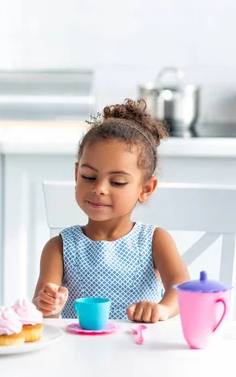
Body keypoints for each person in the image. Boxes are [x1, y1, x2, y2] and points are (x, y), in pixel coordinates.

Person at [33, 99, 189, 323]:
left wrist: (162, 309)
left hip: (137, 351)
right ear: (77, 175)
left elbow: (181, 287)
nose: (99, 189)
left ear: (145, 189)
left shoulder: (154, 240)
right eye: (88, 177)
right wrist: (47, 305)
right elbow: (42, 312)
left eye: (117, 182)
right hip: (78, 353)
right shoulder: (59, 247)